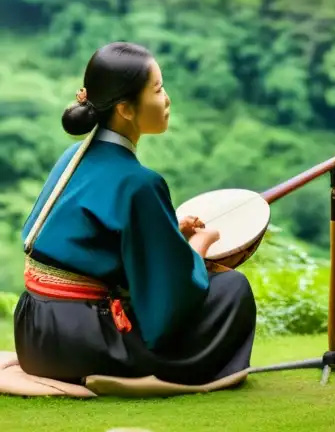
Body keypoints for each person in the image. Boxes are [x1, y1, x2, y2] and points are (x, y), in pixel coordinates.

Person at [14, 42, 257, 386]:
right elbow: (171, 295)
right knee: (232, 289)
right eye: (158, 90)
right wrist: (198, 248)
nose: (167, 99)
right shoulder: (139, 182)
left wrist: (169, 226)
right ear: (126, 109)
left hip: (34, 332)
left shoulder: (73, 156)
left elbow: (93, 241)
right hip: (80, 341)